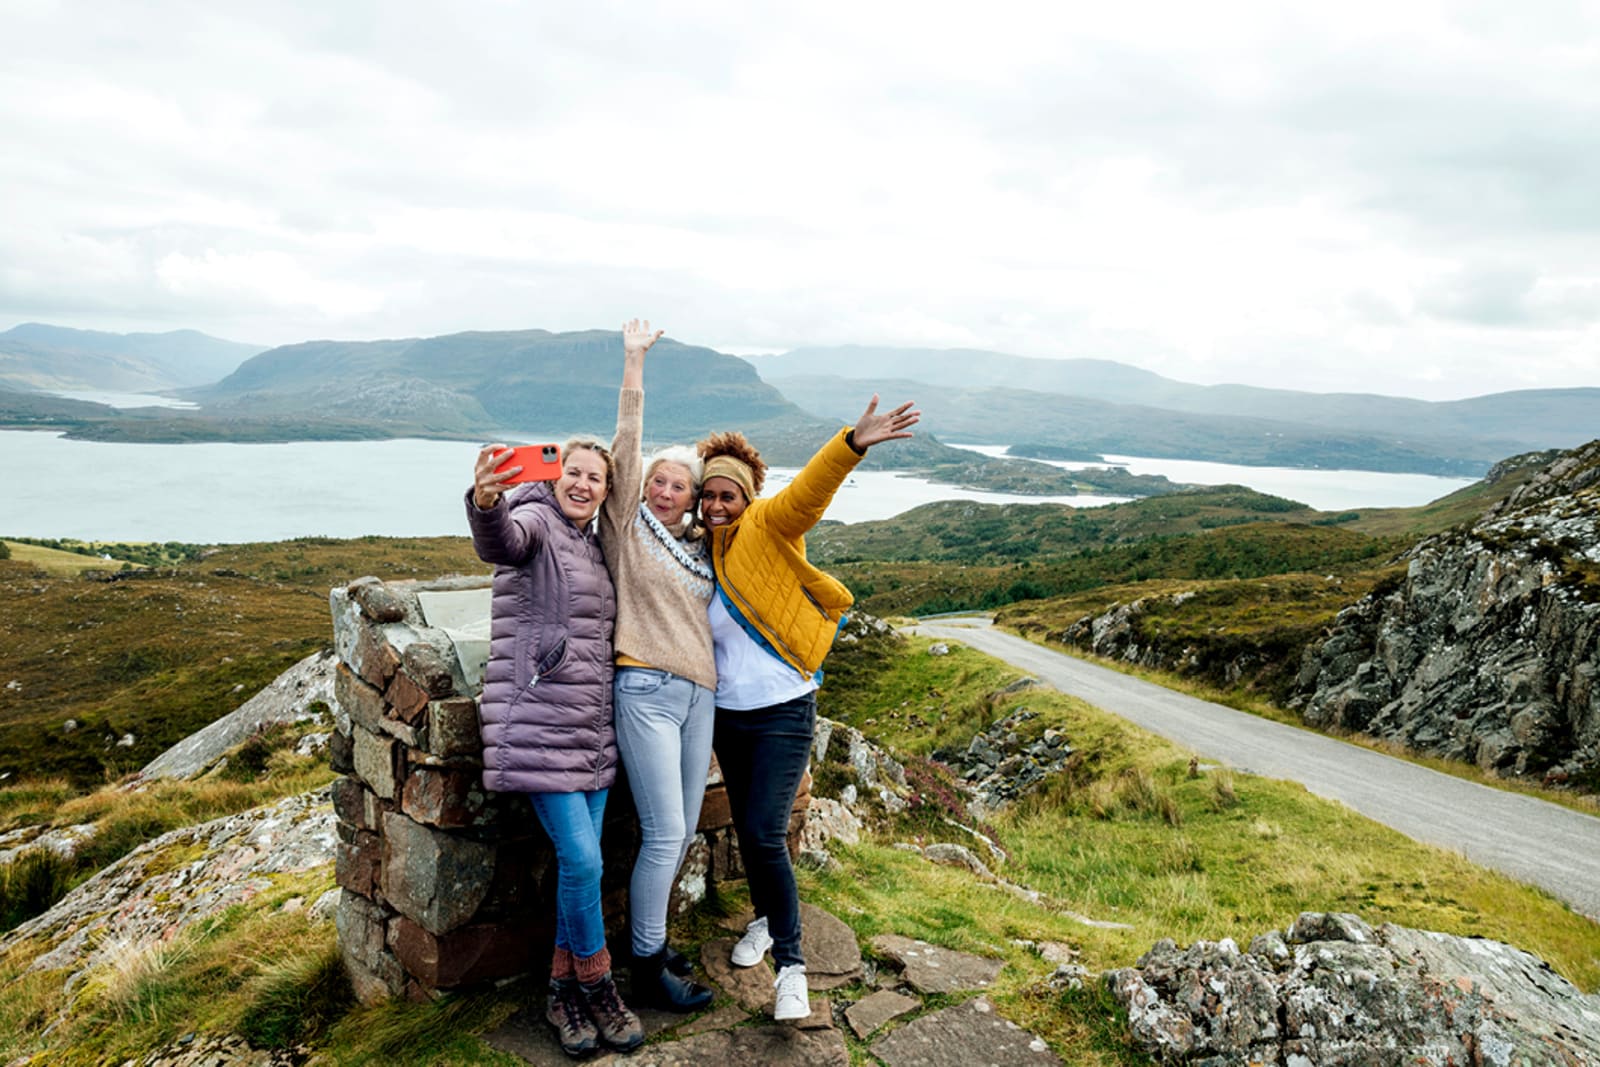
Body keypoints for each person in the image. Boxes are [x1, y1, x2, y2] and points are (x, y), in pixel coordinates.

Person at [698, 394, 919, 1021]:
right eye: (708, 495)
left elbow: (808, 494)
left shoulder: (767, 526)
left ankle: (792, 968)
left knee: (766, 834)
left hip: (783, 710)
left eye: (727, 496)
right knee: (749, 828)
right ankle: (766, 919)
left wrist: (851, 442)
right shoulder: (702, 552)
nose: (717, 505)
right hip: (729, 716)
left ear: (746, 497)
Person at [466, 434, 644, 1057]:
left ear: (606, 489)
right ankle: (598, 986)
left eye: (595, 478)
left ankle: (559, 993)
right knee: (586, 863)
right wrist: (486, 501)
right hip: (538, 730)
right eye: (574, 473)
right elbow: (502, 542)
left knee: (580, 867)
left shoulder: (593, 545)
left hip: (587, 739)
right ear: (556, 475)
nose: (583, 485)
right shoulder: (534, 519)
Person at [597, 319, 717, 1012]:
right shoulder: (628, 529)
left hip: (700, 695)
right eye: (658, 480)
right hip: (644, 685)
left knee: (685, 827)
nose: (665, 489)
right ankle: (645, 965)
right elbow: (626, 444)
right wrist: (634, 362)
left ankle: (656, 937)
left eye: (679, 484)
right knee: (664, 830)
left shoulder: (701, 547)